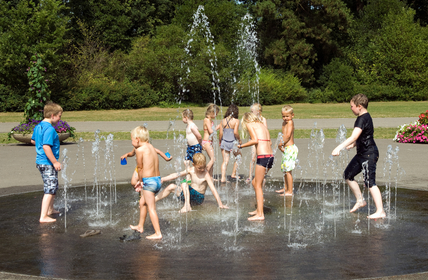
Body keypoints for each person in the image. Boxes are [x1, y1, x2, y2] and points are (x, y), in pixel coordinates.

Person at [332, 94, 385, 219]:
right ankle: (360, 200)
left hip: (369, 154)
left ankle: (380, 211)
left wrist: (339, 147)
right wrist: (355, 144)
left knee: (370, 182)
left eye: (352, 106)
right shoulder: (365, 117)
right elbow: (365, 135)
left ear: (359, 106)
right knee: (348, 175)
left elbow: (354, 136)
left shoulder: (362, 119)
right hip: (362, 154)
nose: (351, 109)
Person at [128, 126, 169, 239]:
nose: (132, 143)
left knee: (151, 208)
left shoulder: (140, 150)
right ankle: (140, 226)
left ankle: (158, 233)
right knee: (142, 202)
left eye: (131, 140)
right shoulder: (151, 147)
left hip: (148, 182)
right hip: (157, 180)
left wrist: (140, 182)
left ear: (137, 139)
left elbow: (140, 168)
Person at [156, 153, 228, 213]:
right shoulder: (191, 170)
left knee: (184, 183)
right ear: (193, 165)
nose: (202, 169)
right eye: (199, 168)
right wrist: (163, 179)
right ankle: (152, 201)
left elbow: (213, 189)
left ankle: (187, 206)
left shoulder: (206, 174)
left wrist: (220, 204)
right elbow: (177, 174)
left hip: (198, 198)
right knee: (171, 186)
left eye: (203, 167)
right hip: (189, 196)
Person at [31, 102, 63, 223]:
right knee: (50, 188)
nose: (60, 119)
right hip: (48, 162)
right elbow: (46, 147)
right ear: (53, 115)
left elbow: (33, 140)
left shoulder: (39, 126)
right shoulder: (49, 129)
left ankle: (50, 209)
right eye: (59, 116)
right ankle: (43, 216)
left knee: (53, 185)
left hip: (41, 161)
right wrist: (55, 162)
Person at [238, 112, 274, 221]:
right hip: (270, 156)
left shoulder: (250, 124)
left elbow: (254, 140)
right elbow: (270, 142)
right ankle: (259, 209)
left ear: (246, 120)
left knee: (257, 185)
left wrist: (240, 146)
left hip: (262, 157)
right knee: (254, 182)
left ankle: (260, 214)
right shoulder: (262, 125)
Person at [276, 105, 298, 196]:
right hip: (286, 148)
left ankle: (290, 191)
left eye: (287, 116)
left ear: (292, 115)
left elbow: (288, 135)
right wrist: (281, 144)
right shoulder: (284, 123)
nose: (285, 118)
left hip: (290, 148)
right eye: (283, 116)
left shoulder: (290, 123)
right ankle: (286, 187)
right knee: (285, 169)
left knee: (288, 170)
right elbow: (283, 135)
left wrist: (281, 144)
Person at [219, 104, 241, 183]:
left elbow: (221, 133)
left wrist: (219, 141)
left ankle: (223, 178)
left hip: (224, 142)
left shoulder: (223, 121)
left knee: (225, 161)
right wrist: (239, 139)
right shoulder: (236, 121)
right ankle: (233, 173)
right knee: (238, 157)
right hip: (233, 142)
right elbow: (235, 132)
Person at [247, 103, 268, 184]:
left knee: (261, 158)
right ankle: (250, 176)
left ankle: (260, 176)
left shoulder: (263, 119)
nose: (251, 113)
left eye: (252, 111)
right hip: (254, 140)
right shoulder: (251, 120)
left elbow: (265, 130)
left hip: (261, 141)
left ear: (258, 111)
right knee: (253, 158)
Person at [202, 104, 219, 177]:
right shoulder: (207, 120)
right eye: (216, 113)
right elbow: (210, 131)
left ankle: (210, 176)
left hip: (209, 142)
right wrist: (219, 126)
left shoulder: (210, 120)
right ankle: (204, 174)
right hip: (207, 142)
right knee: (213, 159)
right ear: (212, 112)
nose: (216, 115)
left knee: (212, 160)